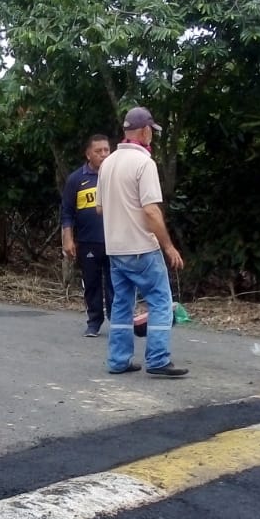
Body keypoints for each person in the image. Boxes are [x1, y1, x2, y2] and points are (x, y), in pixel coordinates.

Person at [96, 106, 187, 377]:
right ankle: (158, 359)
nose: (152, 136)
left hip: (115, 249)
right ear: (145, 131)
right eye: (152, 131)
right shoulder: (144, 163)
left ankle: (118, 360)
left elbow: (100, 208)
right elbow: (151, 211)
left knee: (121, 304)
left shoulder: (108, 163)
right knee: (160, 301)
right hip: (142, 248)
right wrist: (168, 246)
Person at [61, 133, 113, 336]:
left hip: (115, 240)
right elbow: (67, 212)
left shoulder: (115, 175)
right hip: (88, 241)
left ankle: (118, 322)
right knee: (91, 283)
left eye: (106, 150)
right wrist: (68, 238)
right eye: (98, 151)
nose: (103, 154)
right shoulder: (76, 179)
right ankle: (94, 322)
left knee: (115, 284)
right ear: (88, 154)